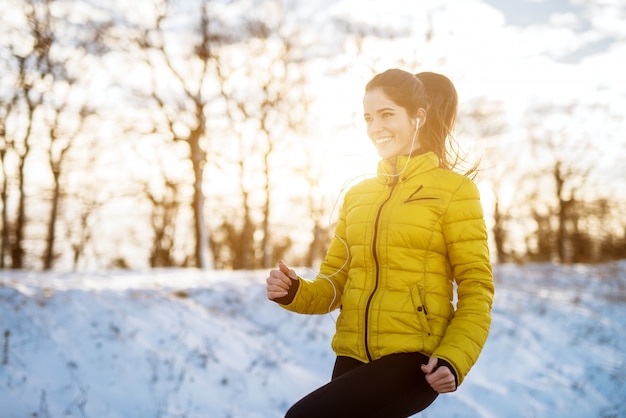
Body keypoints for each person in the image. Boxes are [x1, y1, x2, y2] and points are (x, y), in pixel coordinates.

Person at [266, 68, 494, 418]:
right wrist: (295, 291)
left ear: (419, 115)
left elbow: (477, 288)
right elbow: (334, 284)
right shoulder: (358, 196)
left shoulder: (454, 192)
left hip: (414, 362)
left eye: (387, 114)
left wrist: (454, 358)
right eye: (369, 118)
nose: (376, 127)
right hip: (351, 356)